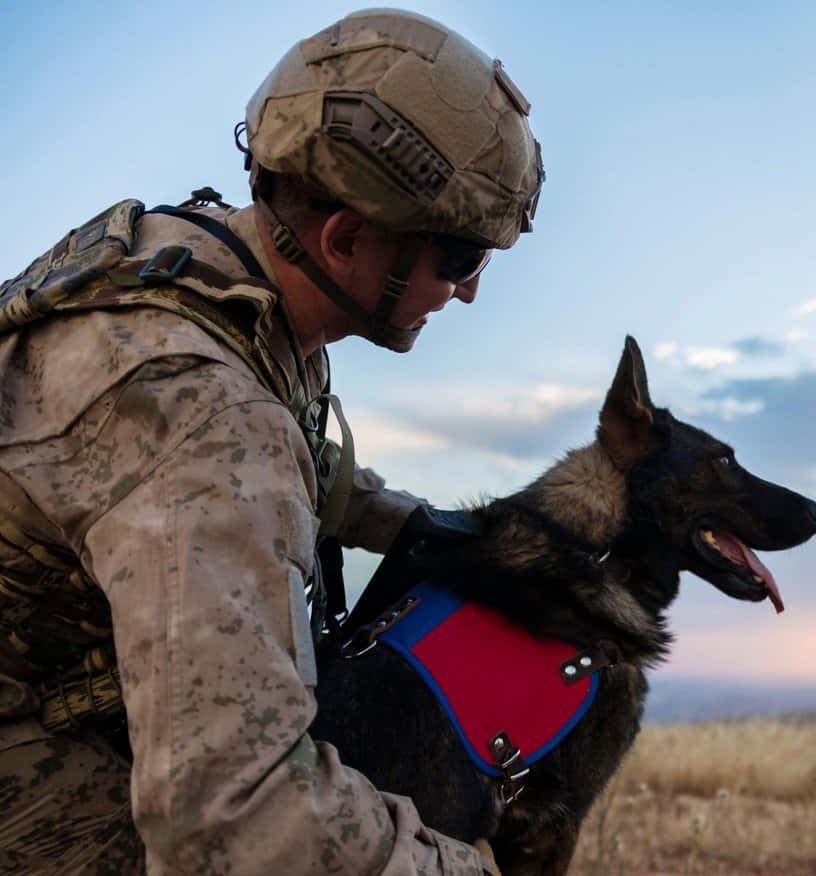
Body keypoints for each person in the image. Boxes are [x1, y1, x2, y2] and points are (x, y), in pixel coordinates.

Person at [0, 9, 543, 874]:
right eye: (459, 259)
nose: (469, 292)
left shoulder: (206, 268)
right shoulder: (206, 420)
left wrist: (412, 525)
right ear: (347, 237)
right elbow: (235, 823)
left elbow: (304, 458)